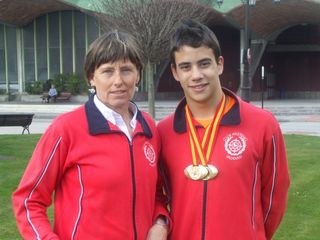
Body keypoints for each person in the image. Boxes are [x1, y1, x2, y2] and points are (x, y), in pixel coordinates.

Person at [13, 30, 169, 240]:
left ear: (138, 74)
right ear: (91, 77)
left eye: (126, 70)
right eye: (107, 71)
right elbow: (28, 199)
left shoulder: (149, 127)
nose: (118, 81)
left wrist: (160, 222)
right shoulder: (66, 129)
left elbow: (157, 192)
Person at [157, 19, 290, 240]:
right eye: (186, 67)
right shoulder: (163, 132)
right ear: (175, 72)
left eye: (204, 63)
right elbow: (156, 196)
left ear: (219, 64)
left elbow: (275, 197)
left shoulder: (263, 124)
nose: (196, 75)